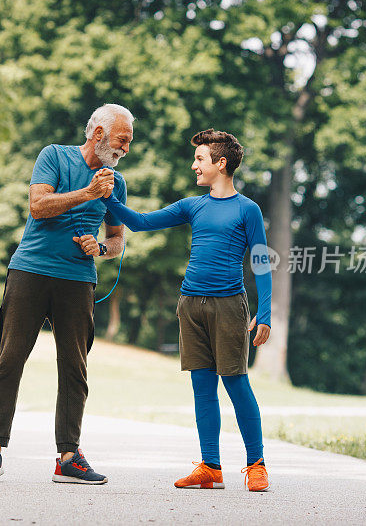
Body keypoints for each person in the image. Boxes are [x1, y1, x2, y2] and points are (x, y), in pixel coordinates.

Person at [100, 128, 272, 492]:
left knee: (237, 383)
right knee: (201, 387)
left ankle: (256, 464)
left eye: (200, 158)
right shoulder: (192, 206)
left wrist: (265, 313)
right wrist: (109, 197)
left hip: (230, 306)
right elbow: (140, 223)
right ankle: (210, 466)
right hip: (190, 304)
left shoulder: (248, 209)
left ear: (220, 163)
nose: (194, 164)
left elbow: (260, 261)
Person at [0, 104, 134, 484]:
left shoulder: (117, 182)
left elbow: (117, 240)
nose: (125, 149)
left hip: (78, 278)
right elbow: (38, 206)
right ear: (97, 133)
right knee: (10, 360)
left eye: (129, 143)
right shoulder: (54, 156)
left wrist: (101, 249)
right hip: (31, 269)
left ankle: (68, 457)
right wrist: (87, 192)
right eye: (121, 140)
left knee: (74, 368)